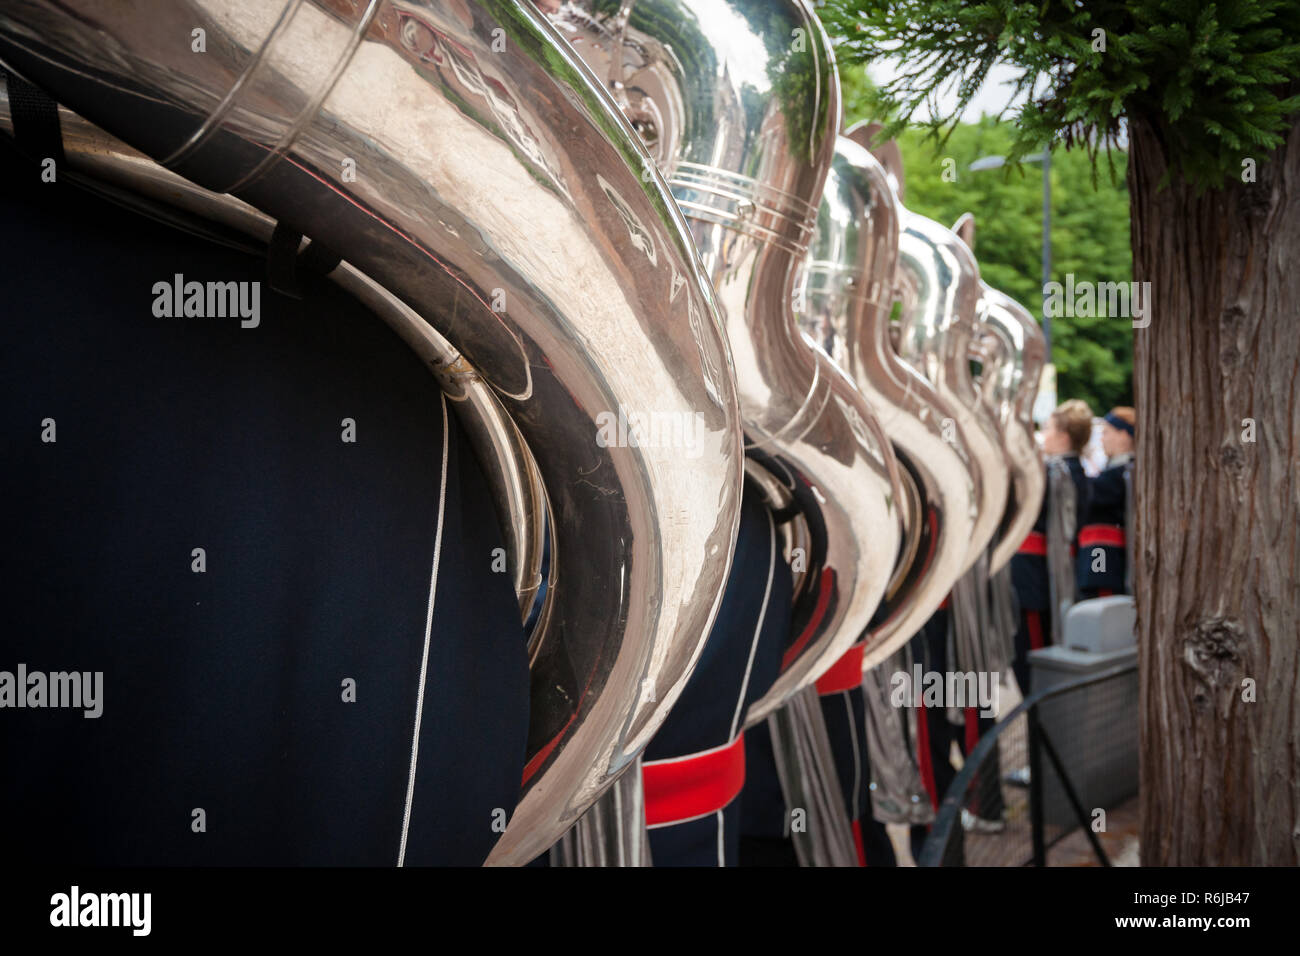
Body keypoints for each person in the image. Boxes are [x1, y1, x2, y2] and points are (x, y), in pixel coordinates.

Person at [1010, 399, 1093, 695]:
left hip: (1035, 580)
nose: (1043, 435)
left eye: (1047, 429)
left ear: (1064, 436)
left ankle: (1041, 731)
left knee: (1033, 661)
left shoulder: (1056, 473)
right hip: (1042, 576)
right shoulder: (1074, 470)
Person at [1076, 406, 1136, 599]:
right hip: (1099, 552)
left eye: (1107, 432)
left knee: (1102, 599)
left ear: (1124, 435)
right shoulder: (1116, 471)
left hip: (1103, 553)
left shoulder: (1124, 472)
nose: (1102, 439)